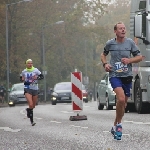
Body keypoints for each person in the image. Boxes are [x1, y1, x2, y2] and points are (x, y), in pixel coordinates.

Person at [100, 22, 142, 140]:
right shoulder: (110, 43)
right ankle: (119, 125)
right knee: (121, 99)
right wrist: (105, 64)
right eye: (120, 29)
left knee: (123, 104)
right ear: (115, 31)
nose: (123, 30)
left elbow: (139, 57)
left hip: (127, 76)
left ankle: (115, 126)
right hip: (115, 75)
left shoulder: (130, 43)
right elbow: (103, 55)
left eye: (124, 28)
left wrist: (129, 60)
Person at [20, 59, 44, 126]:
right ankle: (32, 121)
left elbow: (42, 76)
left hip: (35, 89)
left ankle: (28, 110)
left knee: (33, 106)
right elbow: (21, 78)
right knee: (30, 104)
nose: (30, 64)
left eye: (31, 63)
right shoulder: (24, 71)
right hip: (27, 89)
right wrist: (22, 79)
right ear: (26, 64)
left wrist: (37, 77)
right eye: (29, 63)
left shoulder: (36, 70)